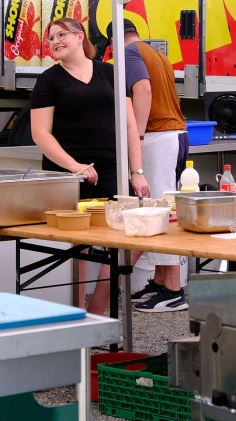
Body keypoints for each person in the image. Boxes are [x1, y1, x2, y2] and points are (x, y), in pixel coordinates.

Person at [30, 17, 149, 314]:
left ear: (80, 36)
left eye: (61, 35)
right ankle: (75, 316)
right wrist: (75, 166)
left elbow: (130, 126)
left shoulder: (110, 73)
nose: (55, 42)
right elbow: (40, 134)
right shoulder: (48, 80)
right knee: (78, 247)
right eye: (51, 38)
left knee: (133, 239)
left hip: (111, 171)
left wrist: (136, 171)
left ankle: (95, 310)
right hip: (67, 176)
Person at [107, 20, 191, 313]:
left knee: (158, 211)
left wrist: (138, 136)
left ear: (113, 42)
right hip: (176, 134)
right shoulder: (156, 53)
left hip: (158, 137)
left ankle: (173, 291)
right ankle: (159, 282)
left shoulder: (128, 53)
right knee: (160, 206)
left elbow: (143, 90)